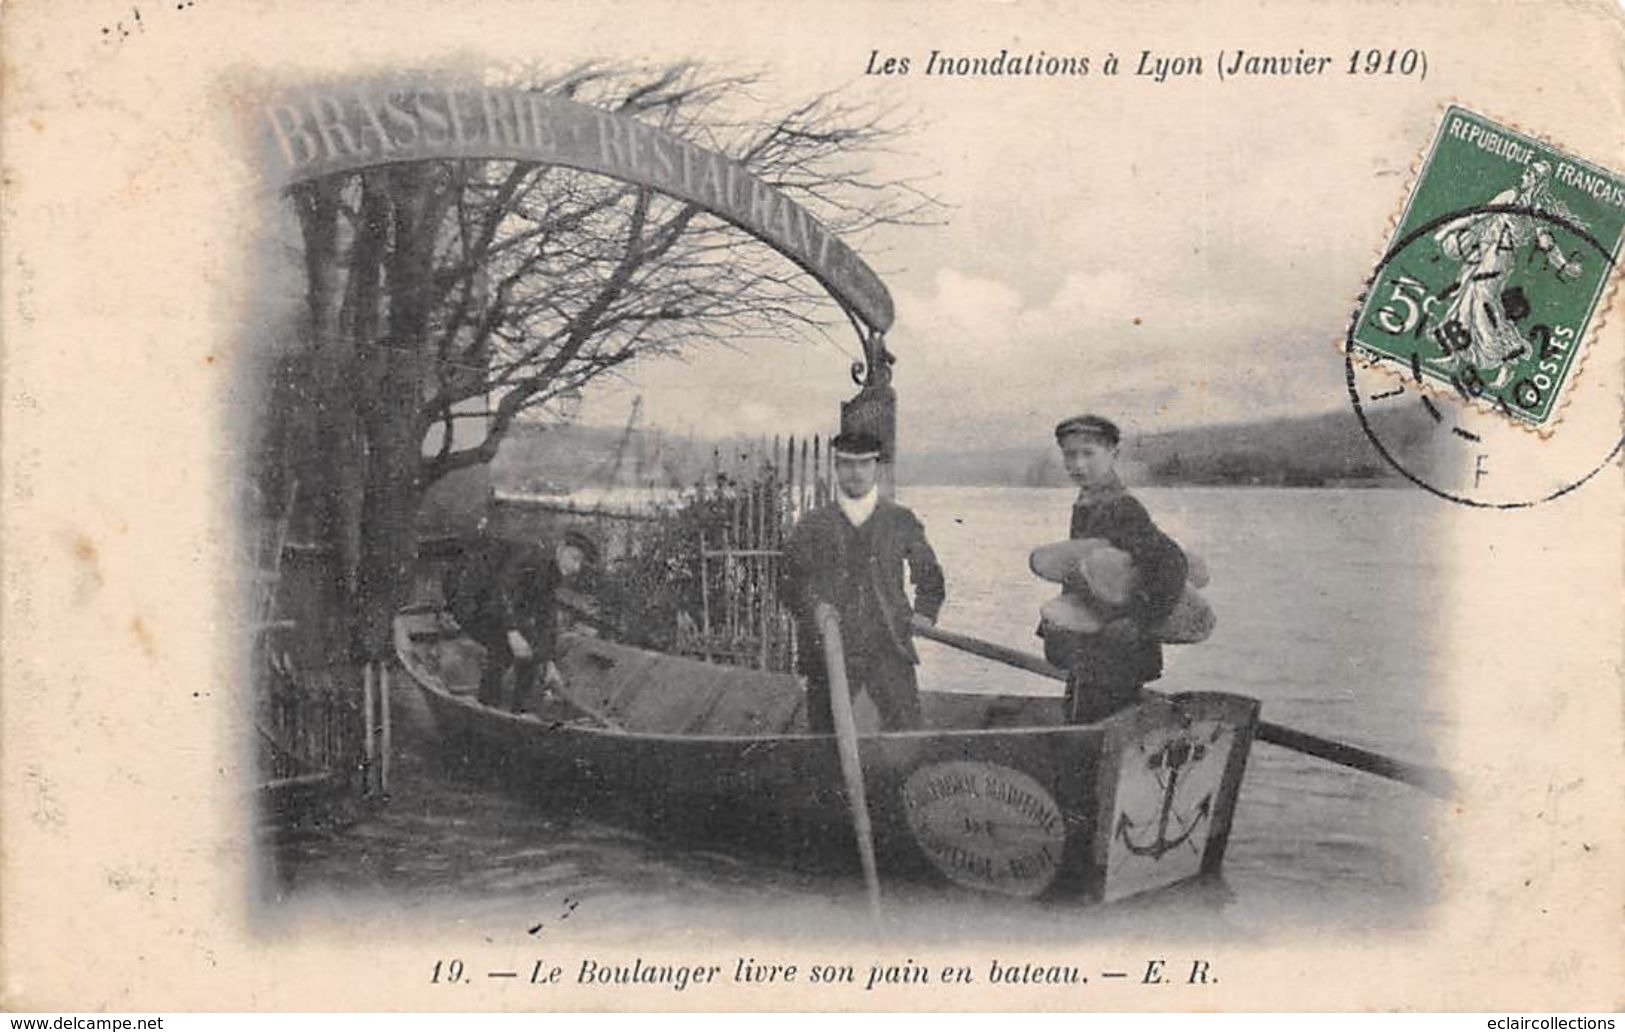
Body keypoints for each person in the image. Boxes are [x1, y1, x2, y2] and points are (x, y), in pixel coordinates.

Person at [784, 430, 946, 733]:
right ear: (836, 468)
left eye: (863, 464)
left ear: (876, 467)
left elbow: (930, 576)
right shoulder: (813, 524)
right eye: (846, 464)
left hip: (889, 644)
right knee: (824, 739)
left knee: (908, 734)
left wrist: (925, 613)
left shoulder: (900, 520)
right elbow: (791, 581)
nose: (855, 473)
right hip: (829, 649)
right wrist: (816, 607)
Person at [1040, 414, 1188, 724]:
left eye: (1088, 453)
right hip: (1092, 651)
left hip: (1117, 652)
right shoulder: (1089, 502)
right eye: (1070, 454)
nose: (1078, 464)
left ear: (1113, 455)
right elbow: (1088, 573)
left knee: (1093, 731)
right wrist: (1056, 624)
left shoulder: (1122, 507)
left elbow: (1173, 563)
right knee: (1083, 721)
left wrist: (1138, 620)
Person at [445, 524, 598, 712]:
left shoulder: (554, 570)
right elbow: (503, 591)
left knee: (531, 649)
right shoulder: (531, 556)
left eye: (581, 564)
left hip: (499, 604)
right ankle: (487, 706)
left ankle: (520, 711)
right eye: (575, 558)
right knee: (502, 647)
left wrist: (548, 661)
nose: (576, 567)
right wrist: (513, 633)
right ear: (561, 548)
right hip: (471, 598)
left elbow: (546, 615)